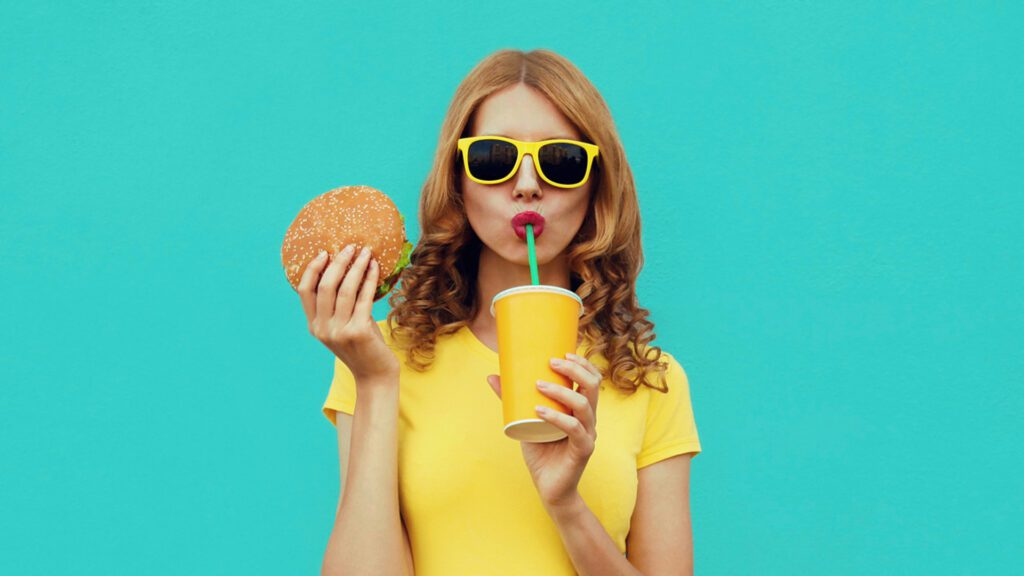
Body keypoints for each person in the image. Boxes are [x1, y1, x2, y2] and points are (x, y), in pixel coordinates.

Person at [299, 49, 702, 576]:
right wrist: (374, 383)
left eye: (561, 160)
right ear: (458, 182)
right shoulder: (382, 355)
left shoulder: (650, 380)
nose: (528, 184)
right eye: (493, 158)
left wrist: (566, 506)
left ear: (595, 186)